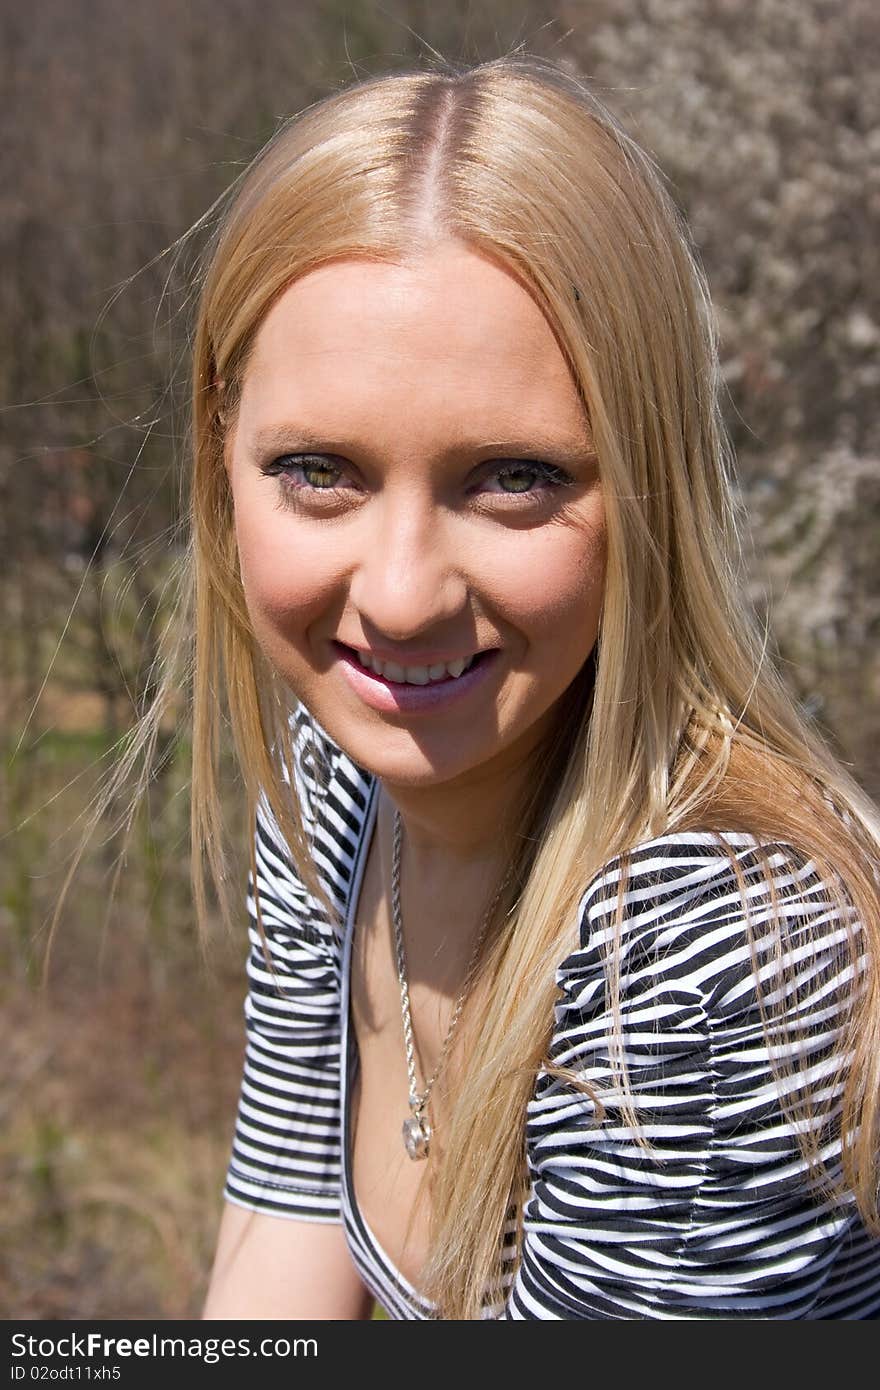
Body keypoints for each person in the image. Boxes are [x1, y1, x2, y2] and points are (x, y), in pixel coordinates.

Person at [162, 55, 880, 1319]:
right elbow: (278, 1241)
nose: (398, 597)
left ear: (645, 479)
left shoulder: (697, 962)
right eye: (320, 468)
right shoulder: (335, 785)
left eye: (511, 477)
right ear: (224, 446)